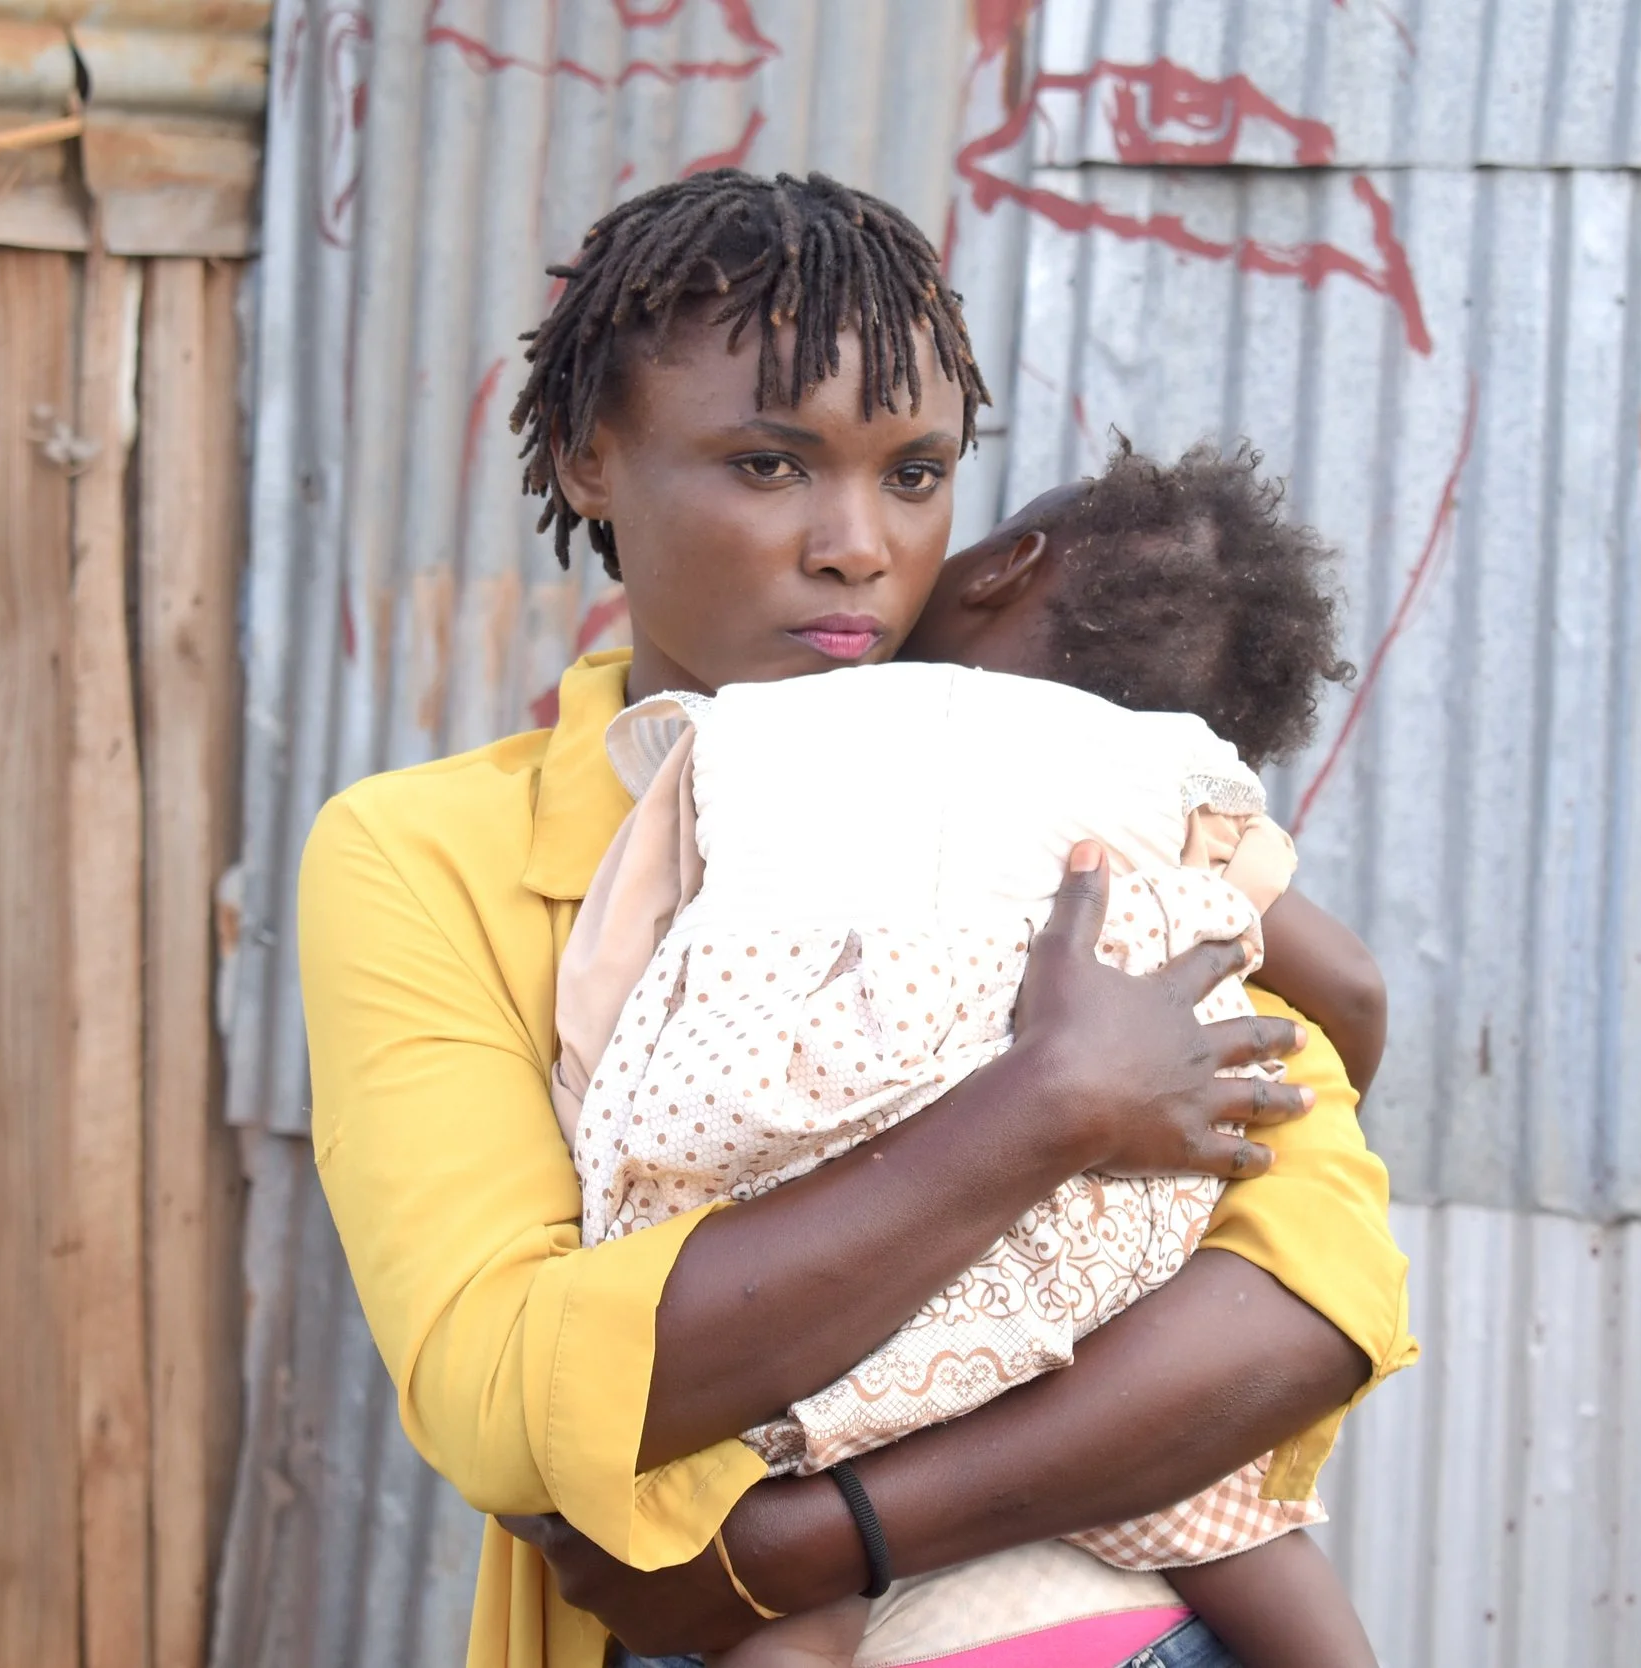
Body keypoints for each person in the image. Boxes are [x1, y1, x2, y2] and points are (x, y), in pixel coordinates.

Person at [298, 171, 1415, 1668]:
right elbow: (510, 1393)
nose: (858, 546)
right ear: (587, 457)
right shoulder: (431, 855)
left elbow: (1313, 1294)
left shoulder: (1069, 807)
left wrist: (820, 1544)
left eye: (914, 474)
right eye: (769, 467)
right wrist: (1045, 1110)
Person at [547, 442, 1383, 1668]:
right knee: (1240, 1527)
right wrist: (1288, 1085)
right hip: (1079, 1292)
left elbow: (628, 942)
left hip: (817, 1262)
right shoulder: (1159, 782)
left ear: (1006, 564)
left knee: (781, 1589)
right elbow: (1352, 986)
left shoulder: (775, 730)